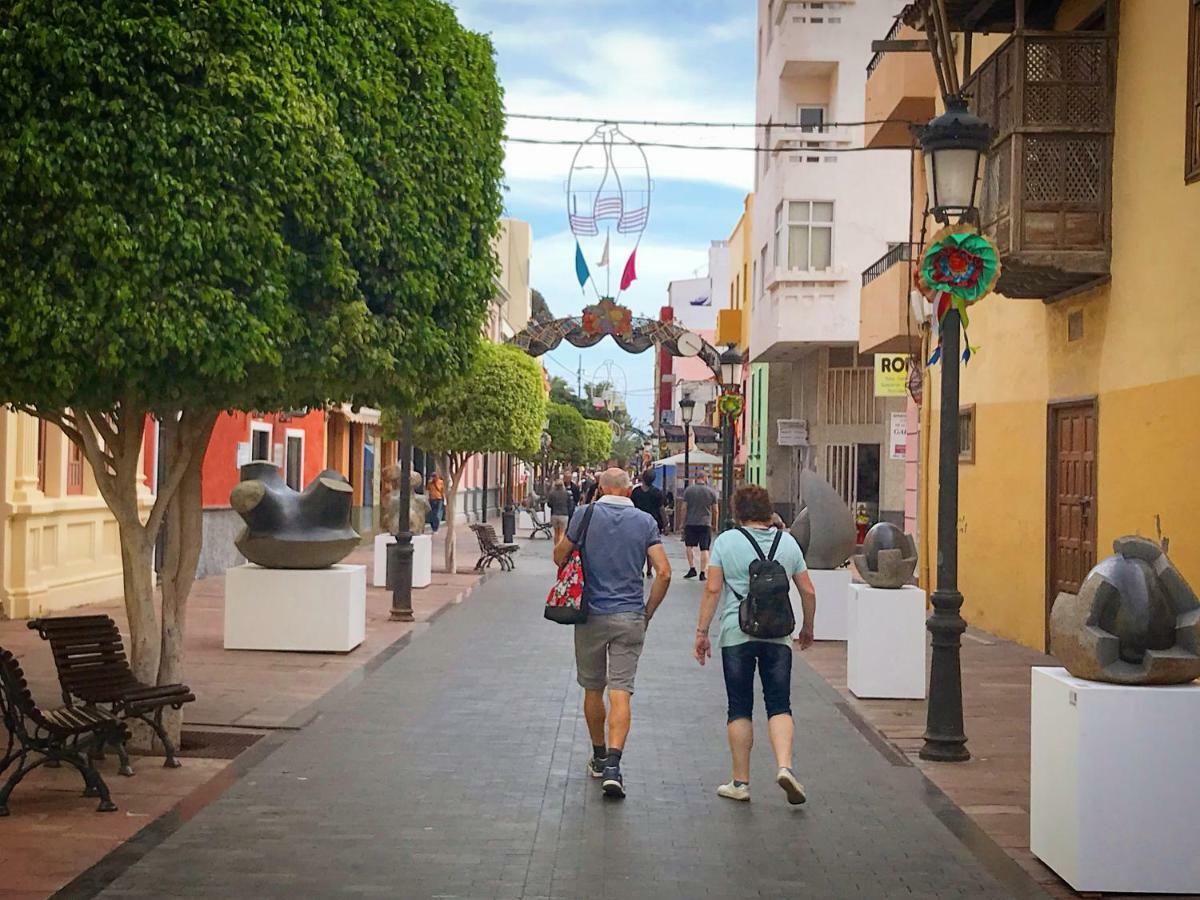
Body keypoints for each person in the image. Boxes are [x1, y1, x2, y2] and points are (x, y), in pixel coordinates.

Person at [693, 484, 817, 805]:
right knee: (779, 704)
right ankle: (785, 767)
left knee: (739, 706)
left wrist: (702, 632)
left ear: (737, 510)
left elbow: (712, 589)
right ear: (766, 509)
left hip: (737, 633)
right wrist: (808, 627)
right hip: (778, 635)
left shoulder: (726, 542)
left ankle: (740, 782)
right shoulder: (787, 542)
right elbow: (808, 591)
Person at [554, 468, 672, 800]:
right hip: (630, 615)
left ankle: (599, 754)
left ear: (601, 488)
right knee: (621, 691)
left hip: (590, 614)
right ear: (628, 490)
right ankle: (614, 766)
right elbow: (663, 572)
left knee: (593, 688)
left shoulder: (584, 514)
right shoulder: (646, 522)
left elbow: (559, 555)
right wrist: (646, 612)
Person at [682, 473, 719, 580]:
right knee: (705, 548)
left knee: (689, 546)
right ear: (704, 478)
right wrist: (715, 524)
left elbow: (684, 508)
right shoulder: (711, 492)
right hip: (705, 523)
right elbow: (716, 510)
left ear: (696, 479)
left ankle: (692, 568)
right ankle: (703, 572)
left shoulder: (689, 491)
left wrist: (682, 522)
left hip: (691, 522)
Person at [631, 469, 666, 576]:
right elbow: (661, 509)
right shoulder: (657, 492)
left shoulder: (636, 492)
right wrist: (665, 523)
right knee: (651, 546)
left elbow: (631, 506)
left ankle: (639, 568)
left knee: (638, 547)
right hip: (653, 522)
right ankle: (649, 570)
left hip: (637, 522)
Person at [546, 478, 572, 545]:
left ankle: (556, 548)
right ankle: (559, 549)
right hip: (564, 514)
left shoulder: (552, 494)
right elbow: (570, 504)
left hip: (554, 515)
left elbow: (549, 504)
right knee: (562, 533)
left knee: (556, 533)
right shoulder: (566, 494)